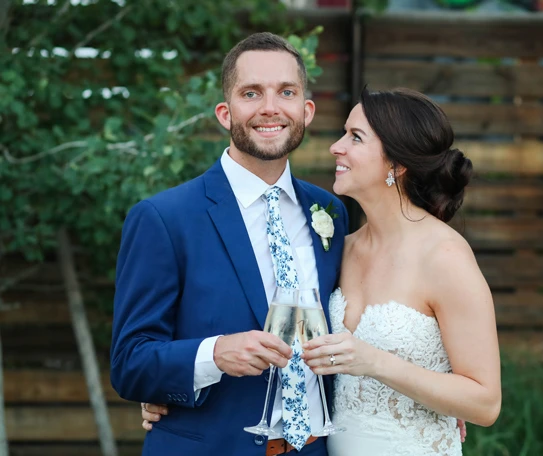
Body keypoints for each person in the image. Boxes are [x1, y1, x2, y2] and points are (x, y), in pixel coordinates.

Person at [141, 87, 496, 456]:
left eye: (355, 137)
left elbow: (485, 403)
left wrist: (381, 365)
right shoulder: (342, 245)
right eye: (344, 132)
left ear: (398, 164)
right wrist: (174, 382)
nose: (336, 147)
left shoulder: (446, 255)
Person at [110, 32, 348, 456]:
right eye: (251, 93)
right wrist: (212, 355)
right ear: (225, 112)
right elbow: (130, 363)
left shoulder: (330, 212)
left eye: (286, 92)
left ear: (306, 111)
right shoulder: (164, 218)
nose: (270, 108)